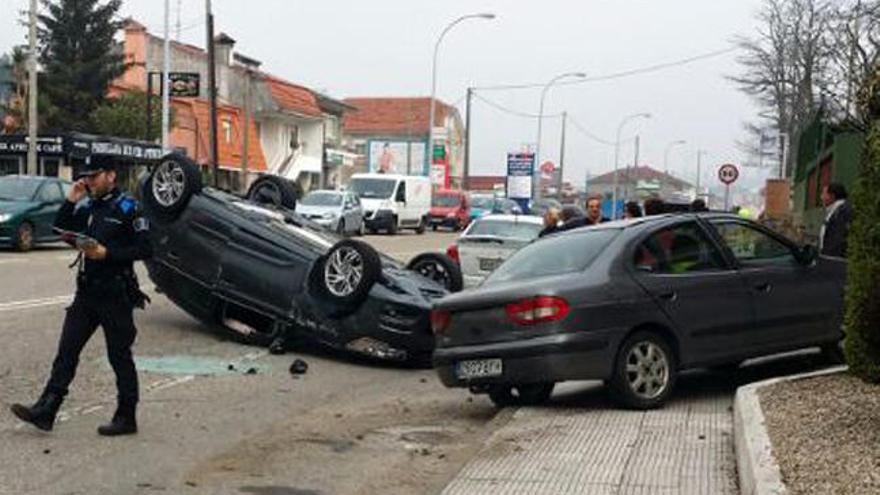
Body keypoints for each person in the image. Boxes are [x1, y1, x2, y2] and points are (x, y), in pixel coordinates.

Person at [10, 155, 152, 436]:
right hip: (87, 293)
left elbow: (145, 249)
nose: (88, 181)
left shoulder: (129, 208)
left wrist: (107, 254)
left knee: (119, 356)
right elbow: (60, 229)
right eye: (85, 176)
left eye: (94, 176)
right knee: (66, 352)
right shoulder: (91, 205)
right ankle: (46, 409)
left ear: (111, 176)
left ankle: (126, 417)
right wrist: (71, 200)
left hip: (116, 293)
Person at [820, 182, 853, 258]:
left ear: (832, 196)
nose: (821, 197)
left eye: (824, 194)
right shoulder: (835, 210)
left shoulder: (842, 211)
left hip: (834, 260)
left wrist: (828, 259)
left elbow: (838, 241)